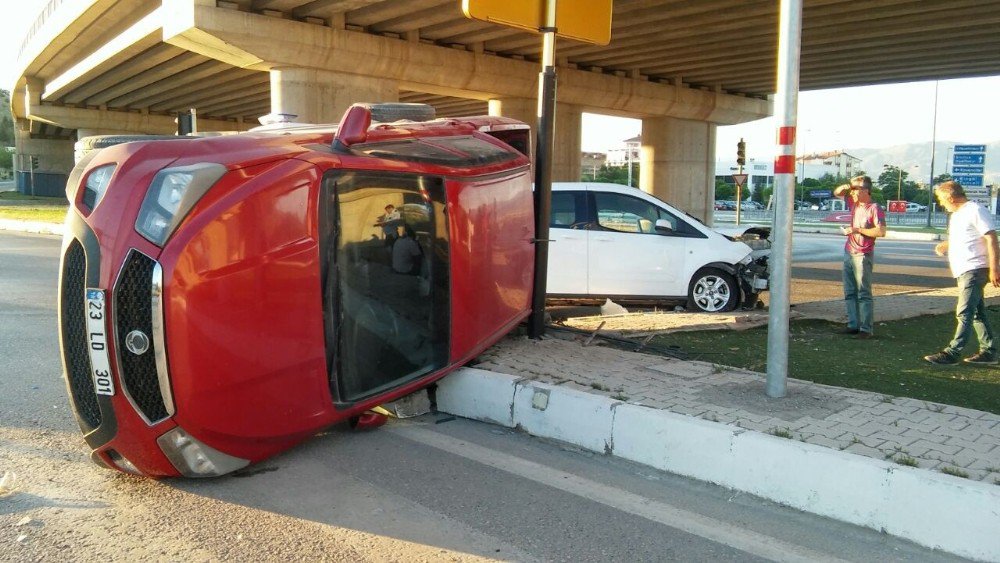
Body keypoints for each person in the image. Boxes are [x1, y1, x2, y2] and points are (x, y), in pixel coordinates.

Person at [923, 181, 1000, 365]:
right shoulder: (957, 215)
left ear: (950, 197)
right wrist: (946, 245)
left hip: (975, 268)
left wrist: (995, 267)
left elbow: (991, 237)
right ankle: (989, 352)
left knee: (964, 311)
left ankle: (952, 352)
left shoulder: (975, 210)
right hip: (964, 269)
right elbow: (965, 237)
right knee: (976, 312)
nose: (941, 204)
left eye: (941, 199)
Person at [832, 175, 886, 338]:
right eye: (853, 189)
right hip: (849, 250)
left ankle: (866, 328)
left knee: (863, 292)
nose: (853, 192)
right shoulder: (855, 204)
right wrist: (845, 187)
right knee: (849, 291)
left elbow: (881, 231)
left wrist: (857, 230)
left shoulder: (874, 208)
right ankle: (853, 324)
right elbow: (837, 193)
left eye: (856, 189)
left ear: (866, 191)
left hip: (863, 253)